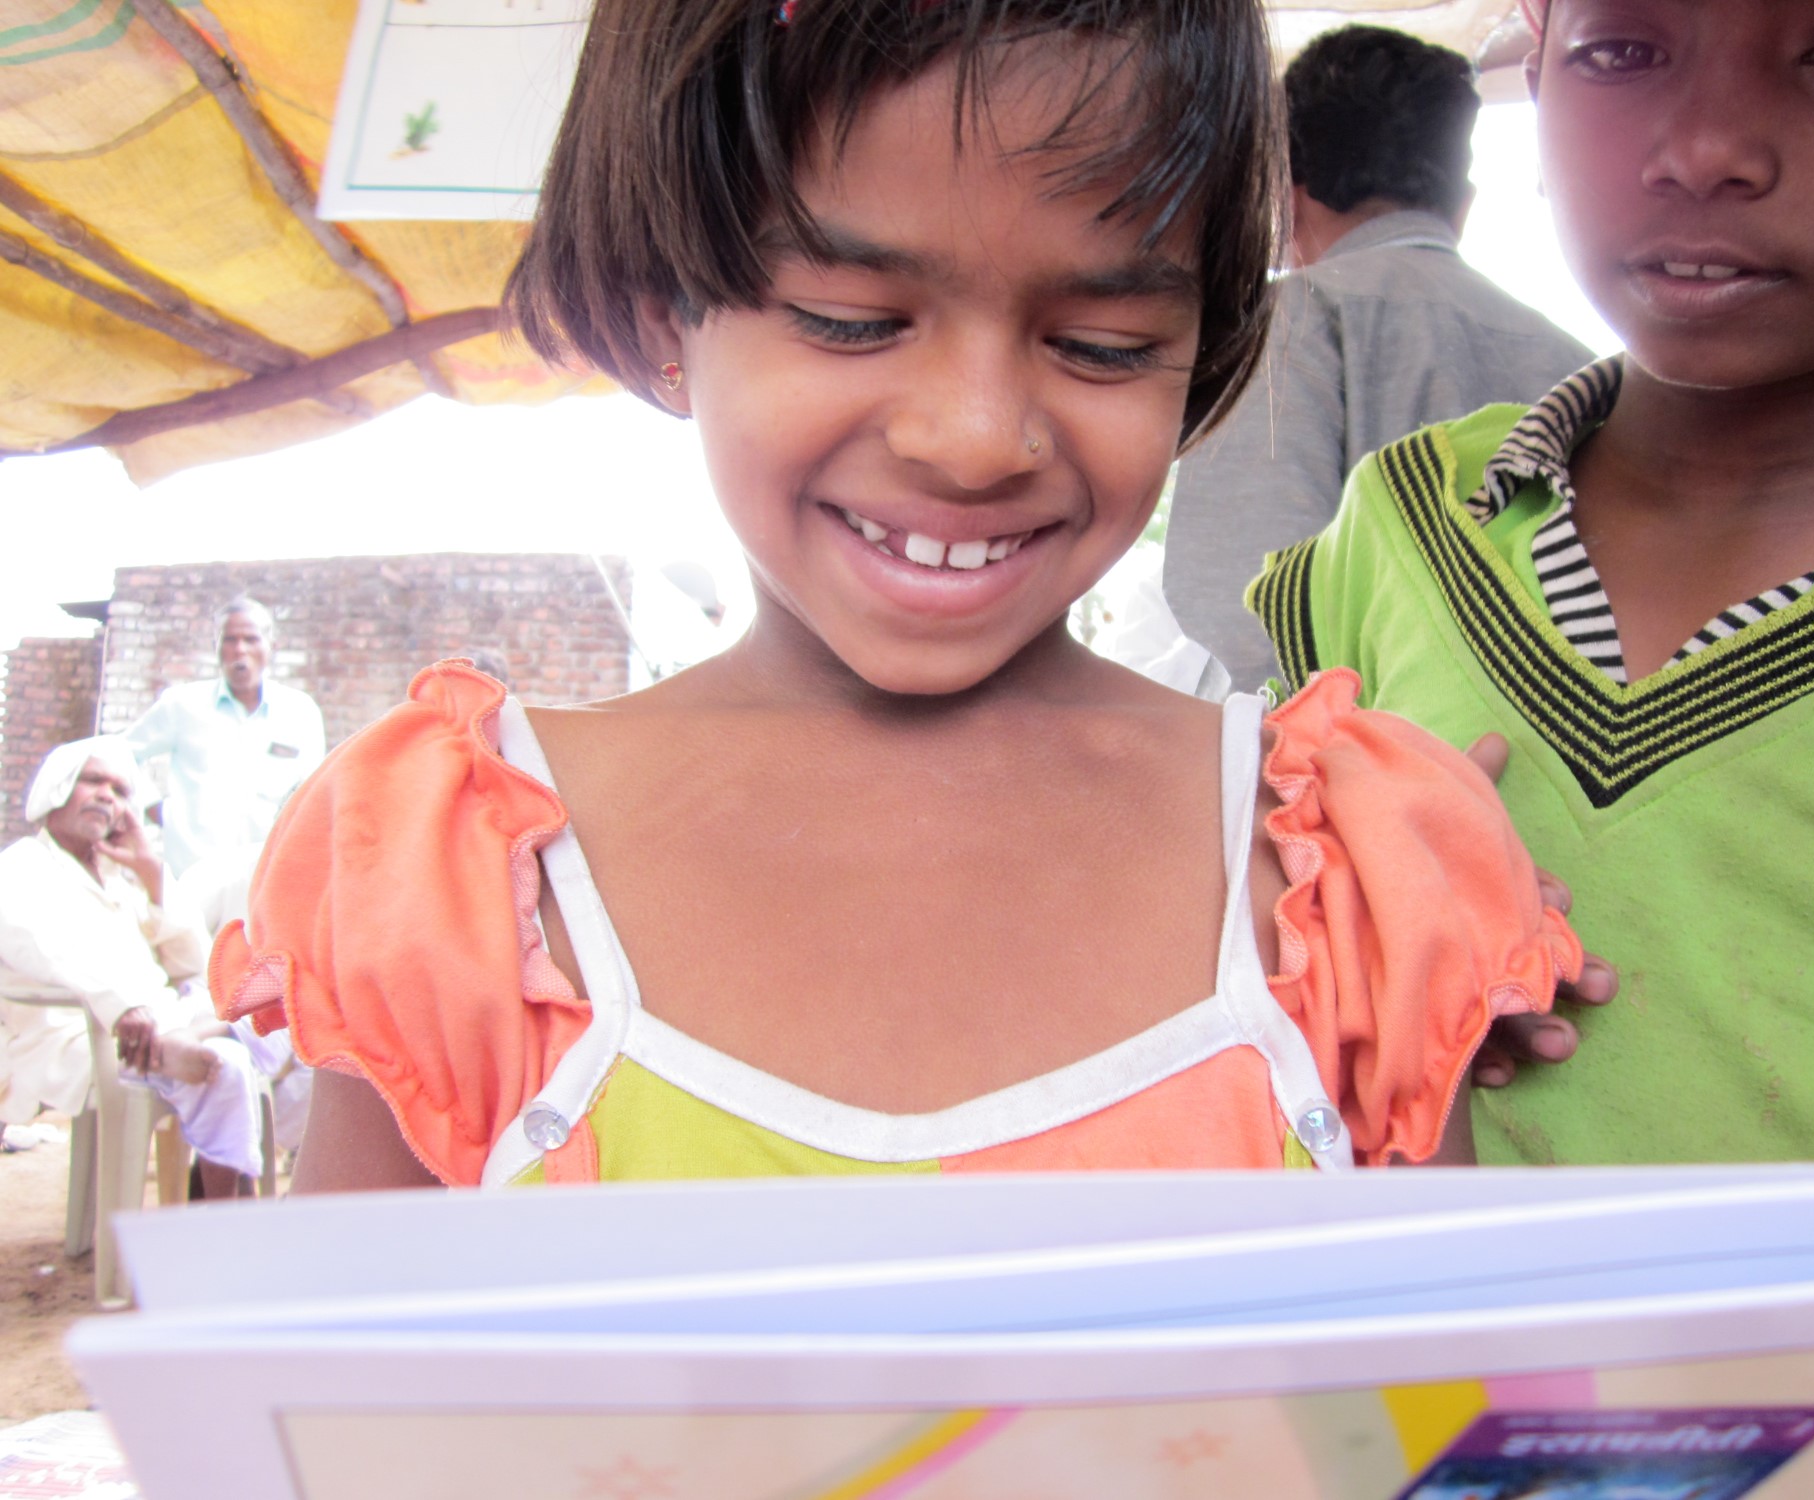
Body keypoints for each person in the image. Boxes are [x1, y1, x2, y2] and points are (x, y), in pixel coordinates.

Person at [213, 0, 1597, 1195]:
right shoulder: (454, 885)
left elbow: (1432, 1392)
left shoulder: (1345, 880)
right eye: (850, 320)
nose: (976, 437)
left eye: (1102, 343)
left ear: (1203, 346)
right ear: (656, 312)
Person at [1249, 0, 1814, 1161]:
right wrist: (1358, 945)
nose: (1704, 149)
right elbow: (1260, 905)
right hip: (1415, 1285)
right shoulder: (1395, 524)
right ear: (1540, 57)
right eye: (1621, 51)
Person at [1164, 24, 1594, 693]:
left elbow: (1243, 617)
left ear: (1283, 192)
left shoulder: (1286, 321)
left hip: (1340, 749)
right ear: (1462, 205)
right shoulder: (1578, 363)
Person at [0, 739, 266, 1195]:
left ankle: (185, 1040)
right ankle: (220, 1211)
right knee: (227, 1062)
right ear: (57, 787)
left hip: (155, 1021)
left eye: (121, 790)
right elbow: (40, 949)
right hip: (80, 1035)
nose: (107, 796)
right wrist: (120, 1006)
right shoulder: (21, 866)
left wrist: (150, 871)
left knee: (257, 1013)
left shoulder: (121, 877)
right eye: (93, 781)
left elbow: (194, 963)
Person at [125, 596, 327, 876]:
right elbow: (118, 753)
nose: (240, 649)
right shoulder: (182, 705)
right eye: (230, 640)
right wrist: (153, 808)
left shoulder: (299, 712)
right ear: (216, 647)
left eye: (251, 639)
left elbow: (312, 793)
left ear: (272, 646)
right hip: (193, 872)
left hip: (264, 875)